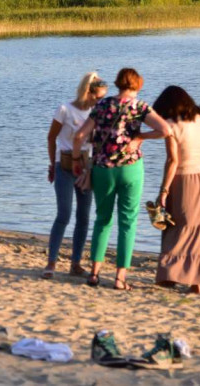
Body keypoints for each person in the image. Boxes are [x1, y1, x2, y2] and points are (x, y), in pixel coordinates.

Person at [73, 68, 172, 290]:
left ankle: (94, 274)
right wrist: (139, 137)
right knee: (128, 222)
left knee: (102, 220)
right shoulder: (140, 107)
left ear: (117, 84)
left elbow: (79, 135)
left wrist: (78, 160)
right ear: (138, 85)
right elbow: (166, 130)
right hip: (130, 168)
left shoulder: (102, 105)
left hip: (102, 169)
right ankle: (120, 278)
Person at [151, 85, 200, 293]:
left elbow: (172, 161)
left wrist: (163, 191)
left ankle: (176, 276)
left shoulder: (171, 125)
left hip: (184, 180)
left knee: (180, 227)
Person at [42, 72, 109, 279]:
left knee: (84, 217)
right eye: (98, 97)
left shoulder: (98, 113)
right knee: (64, 214)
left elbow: (99, 143)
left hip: (87, 166)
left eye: (103, 98)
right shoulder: (65, 109)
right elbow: (52, 137)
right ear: (87, 92)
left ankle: (76, 263)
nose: (101, 102)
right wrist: (53, 164)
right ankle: (51, 262)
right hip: (65, 165)